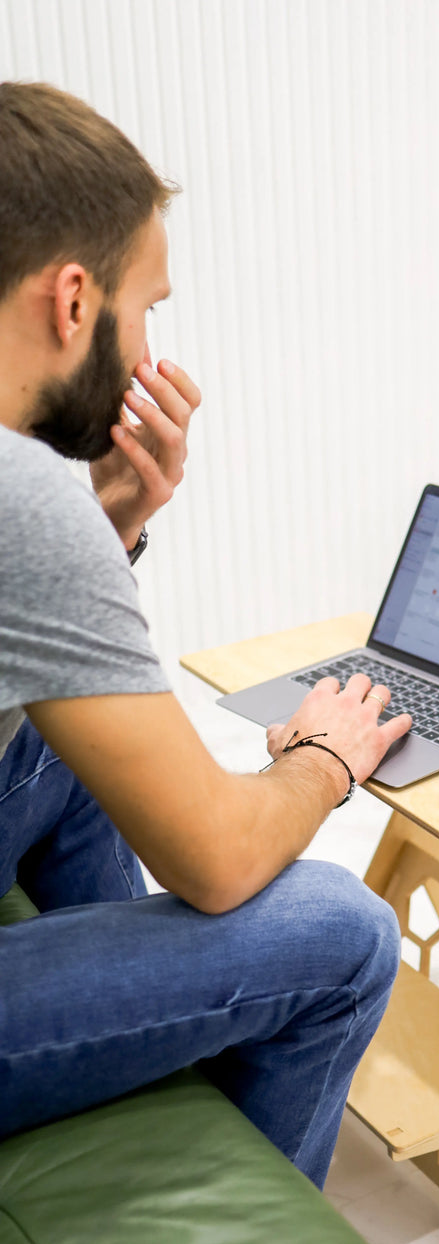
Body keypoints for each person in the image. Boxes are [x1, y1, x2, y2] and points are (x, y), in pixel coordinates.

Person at [0, 81, 412, 1188]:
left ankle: (147, 1038)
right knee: (344, 929)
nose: (149, 350)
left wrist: (116, 525)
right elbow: (223, 862)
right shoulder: (20, 495)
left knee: (51, 744)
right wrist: (324, 761)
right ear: (71, 301)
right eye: (149, 306)